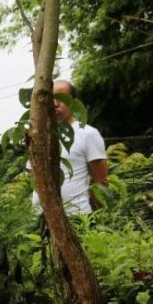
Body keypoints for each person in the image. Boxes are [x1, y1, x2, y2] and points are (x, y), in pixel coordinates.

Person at [32, 79, 108, 214]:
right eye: (51, 98)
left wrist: (98, 218)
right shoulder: (38, 136)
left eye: (62, 98)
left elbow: (100, 182)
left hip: (78, 216)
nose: (55, 104)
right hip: (40, 219)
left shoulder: (88, 133)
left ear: (74, 102)